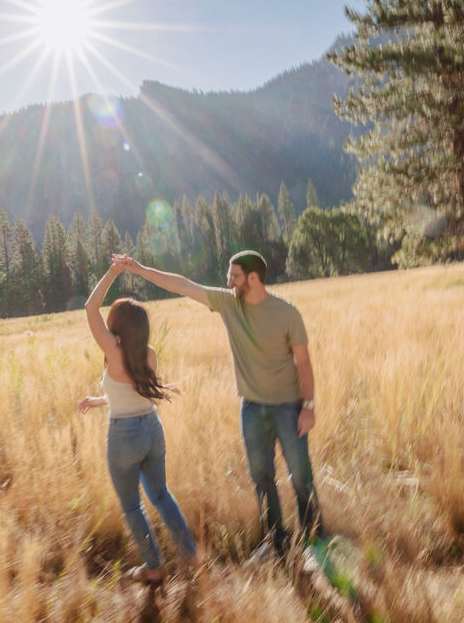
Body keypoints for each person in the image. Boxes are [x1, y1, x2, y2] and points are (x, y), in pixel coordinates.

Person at [112, 250, 325, 562]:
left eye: (234, 276)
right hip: (252, 409)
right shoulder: (229, 303)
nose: (228, 281)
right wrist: (138, 269)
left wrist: (308, 406)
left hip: (288, 407)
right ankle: (277, 543)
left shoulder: (286, 313)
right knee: (261, 477)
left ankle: (316, 547)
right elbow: (182, 285)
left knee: (300, 477)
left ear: (253, 278)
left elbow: (303, 362)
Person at [78, 262, 201, 586]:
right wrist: (99, 400)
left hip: (124, 436)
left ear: (117, 326)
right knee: (161, 495)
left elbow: (90, 307)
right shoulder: (149, 354)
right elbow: (134, 393)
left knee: (132, 506)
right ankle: (191, 554)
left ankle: (154, 567)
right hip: (151, 429)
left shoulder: (112, 350)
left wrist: (112, 273)